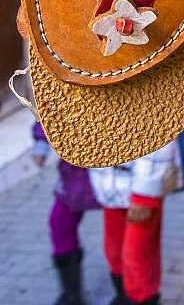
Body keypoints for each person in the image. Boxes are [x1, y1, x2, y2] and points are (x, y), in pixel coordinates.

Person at [88, 141, 182, 305]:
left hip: (142, 187)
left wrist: (145, 193)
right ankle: (124, 297)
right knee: (115, 251)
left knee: (137, 257)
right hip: (110, 186)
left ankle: (141, 297)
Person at [32, 121, 99, 305]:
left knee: (124, 233)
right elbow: (51, 108)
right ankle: (72, 295)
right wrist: (41, 143)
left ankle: (132, 294)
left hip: (116, 171)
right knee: (59, 223)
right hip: (76, 172)